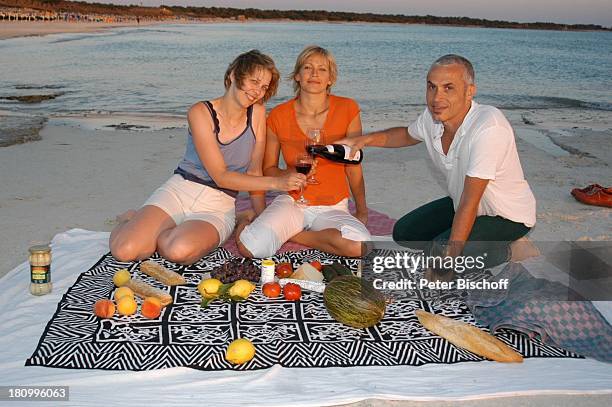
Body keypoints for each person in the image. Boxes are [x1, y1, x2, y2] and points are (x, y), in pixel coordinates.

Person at [338, 54, 536, 269]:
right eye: (432, 87)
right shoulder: (433, 117)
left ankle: (512, 249)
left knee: (442, 252)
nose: (436, 98)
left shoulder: (488, 127)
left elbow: (471, 201)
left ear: (469, 91)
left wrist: (448, 260)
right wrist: (364, 139)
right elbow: (406, 135)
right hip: (461, 203)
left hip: (504, 215)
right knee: (404, 234)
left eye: (448, 88)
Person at [110, 50, 307, 265]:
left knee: (177, 250)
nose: (257, 92)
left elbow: (253, 172)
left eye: (264, 87)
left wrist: (260, 215)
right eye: (254, 81)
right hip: (180, 190)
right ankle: (133, 219)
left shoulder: (258, 113)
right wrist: (277, 183)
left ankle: (166, 228)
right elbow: (220, 175)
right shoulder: (200, 112)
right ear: (233, 75)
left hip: (218, 205)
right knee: (125, 250)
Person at [237, 45, 371, 258]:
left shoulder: (348, 109)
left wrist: (362, 210)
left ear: (331, 79)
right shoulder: (278, 116)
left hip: (333, 206)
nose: (314, 74)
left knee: (360, 246)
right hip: (293, 201)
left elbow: (353, 165)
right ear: (297, 76)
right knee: (251, 248)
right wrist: (289, 174)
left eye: (322, 69)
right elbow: (268, 169)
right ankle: (245, 218)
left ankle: (292, 235)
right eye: (307, 67)